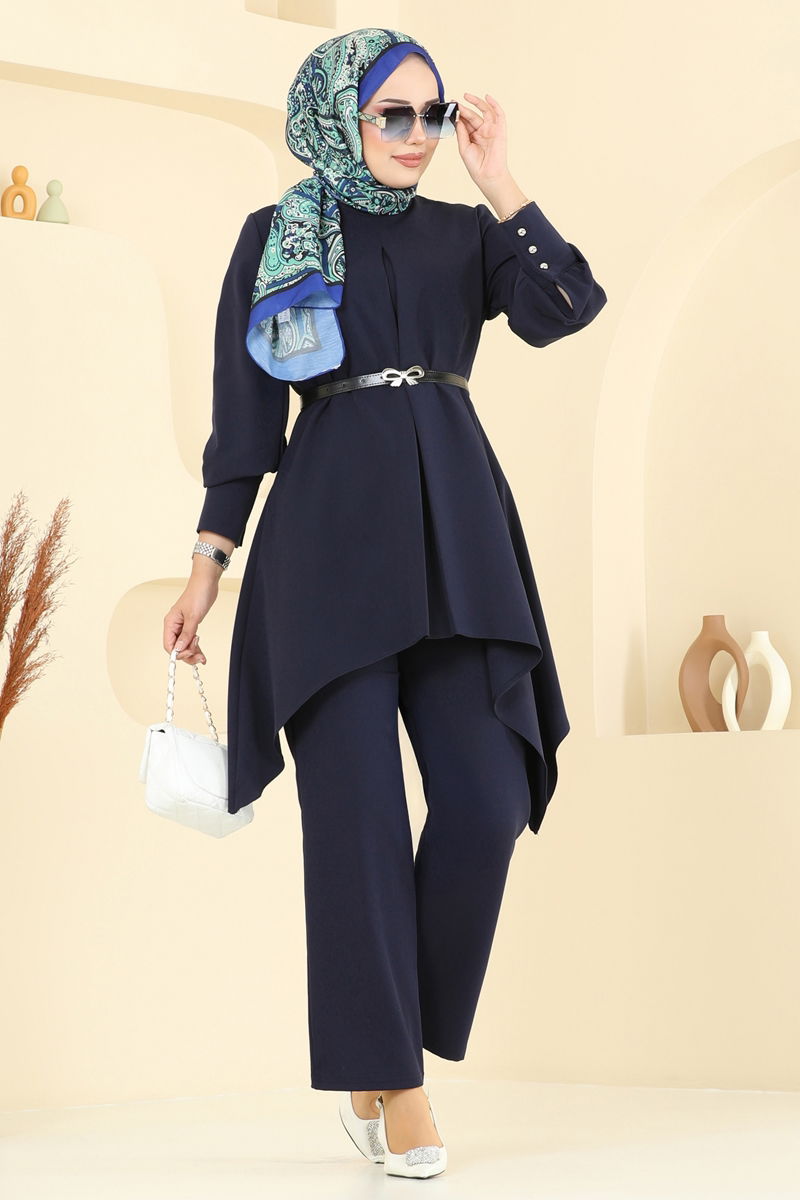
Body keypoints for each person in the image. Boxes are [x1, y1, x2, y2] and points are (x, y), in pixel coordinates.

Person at [163, 27, 607, 1179]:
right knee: (356, 821)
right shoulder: (275, 237)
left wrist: (499, 178)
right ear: (337, 118)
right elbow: (244, 417)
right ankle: (395, 1085)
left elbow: (567, 304)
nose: (417, 134)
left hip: (456, 539)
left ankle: (380, 1048)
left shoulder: (467, 234)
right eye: (391, 114)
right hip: (325, 549)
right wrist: (208, 563)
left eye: (432, 113)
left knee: (486, 798)